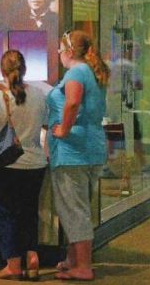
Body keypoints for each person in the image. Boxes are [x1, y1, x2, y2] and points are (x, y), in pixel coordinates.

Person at [0, 50, 48, 280]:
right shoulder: (39, 95)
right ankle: (32, 256)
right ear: (24, 70)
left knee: (3, 212)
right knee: (28, 212)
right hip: (35, 164)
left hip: (6, 167)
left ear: (2, 72)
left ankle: (13, 264)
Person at [47, 30, 110, 281]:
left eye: (61, 50)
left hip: (73, 151)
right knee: (78, 206)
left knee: (74, 209)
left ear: (70, 51)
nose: (59, 55)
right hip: (91, 147)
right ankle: (74, 259)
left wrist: (63, 129)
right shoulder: (91, 72)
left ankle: (83, 266)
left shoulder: (75, 72)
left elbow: (72, 102)